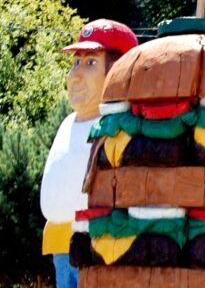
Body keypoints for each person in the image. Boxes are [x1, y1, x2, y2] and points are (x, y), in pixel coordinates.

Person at [40, 19, 138, 288]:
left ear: (119, 72)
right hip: (61, 243)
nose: (76, 75)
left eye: (91, 63)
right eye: (76, 63)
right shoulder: (68, 123)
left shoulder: (121, 126)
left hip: (103, 246)